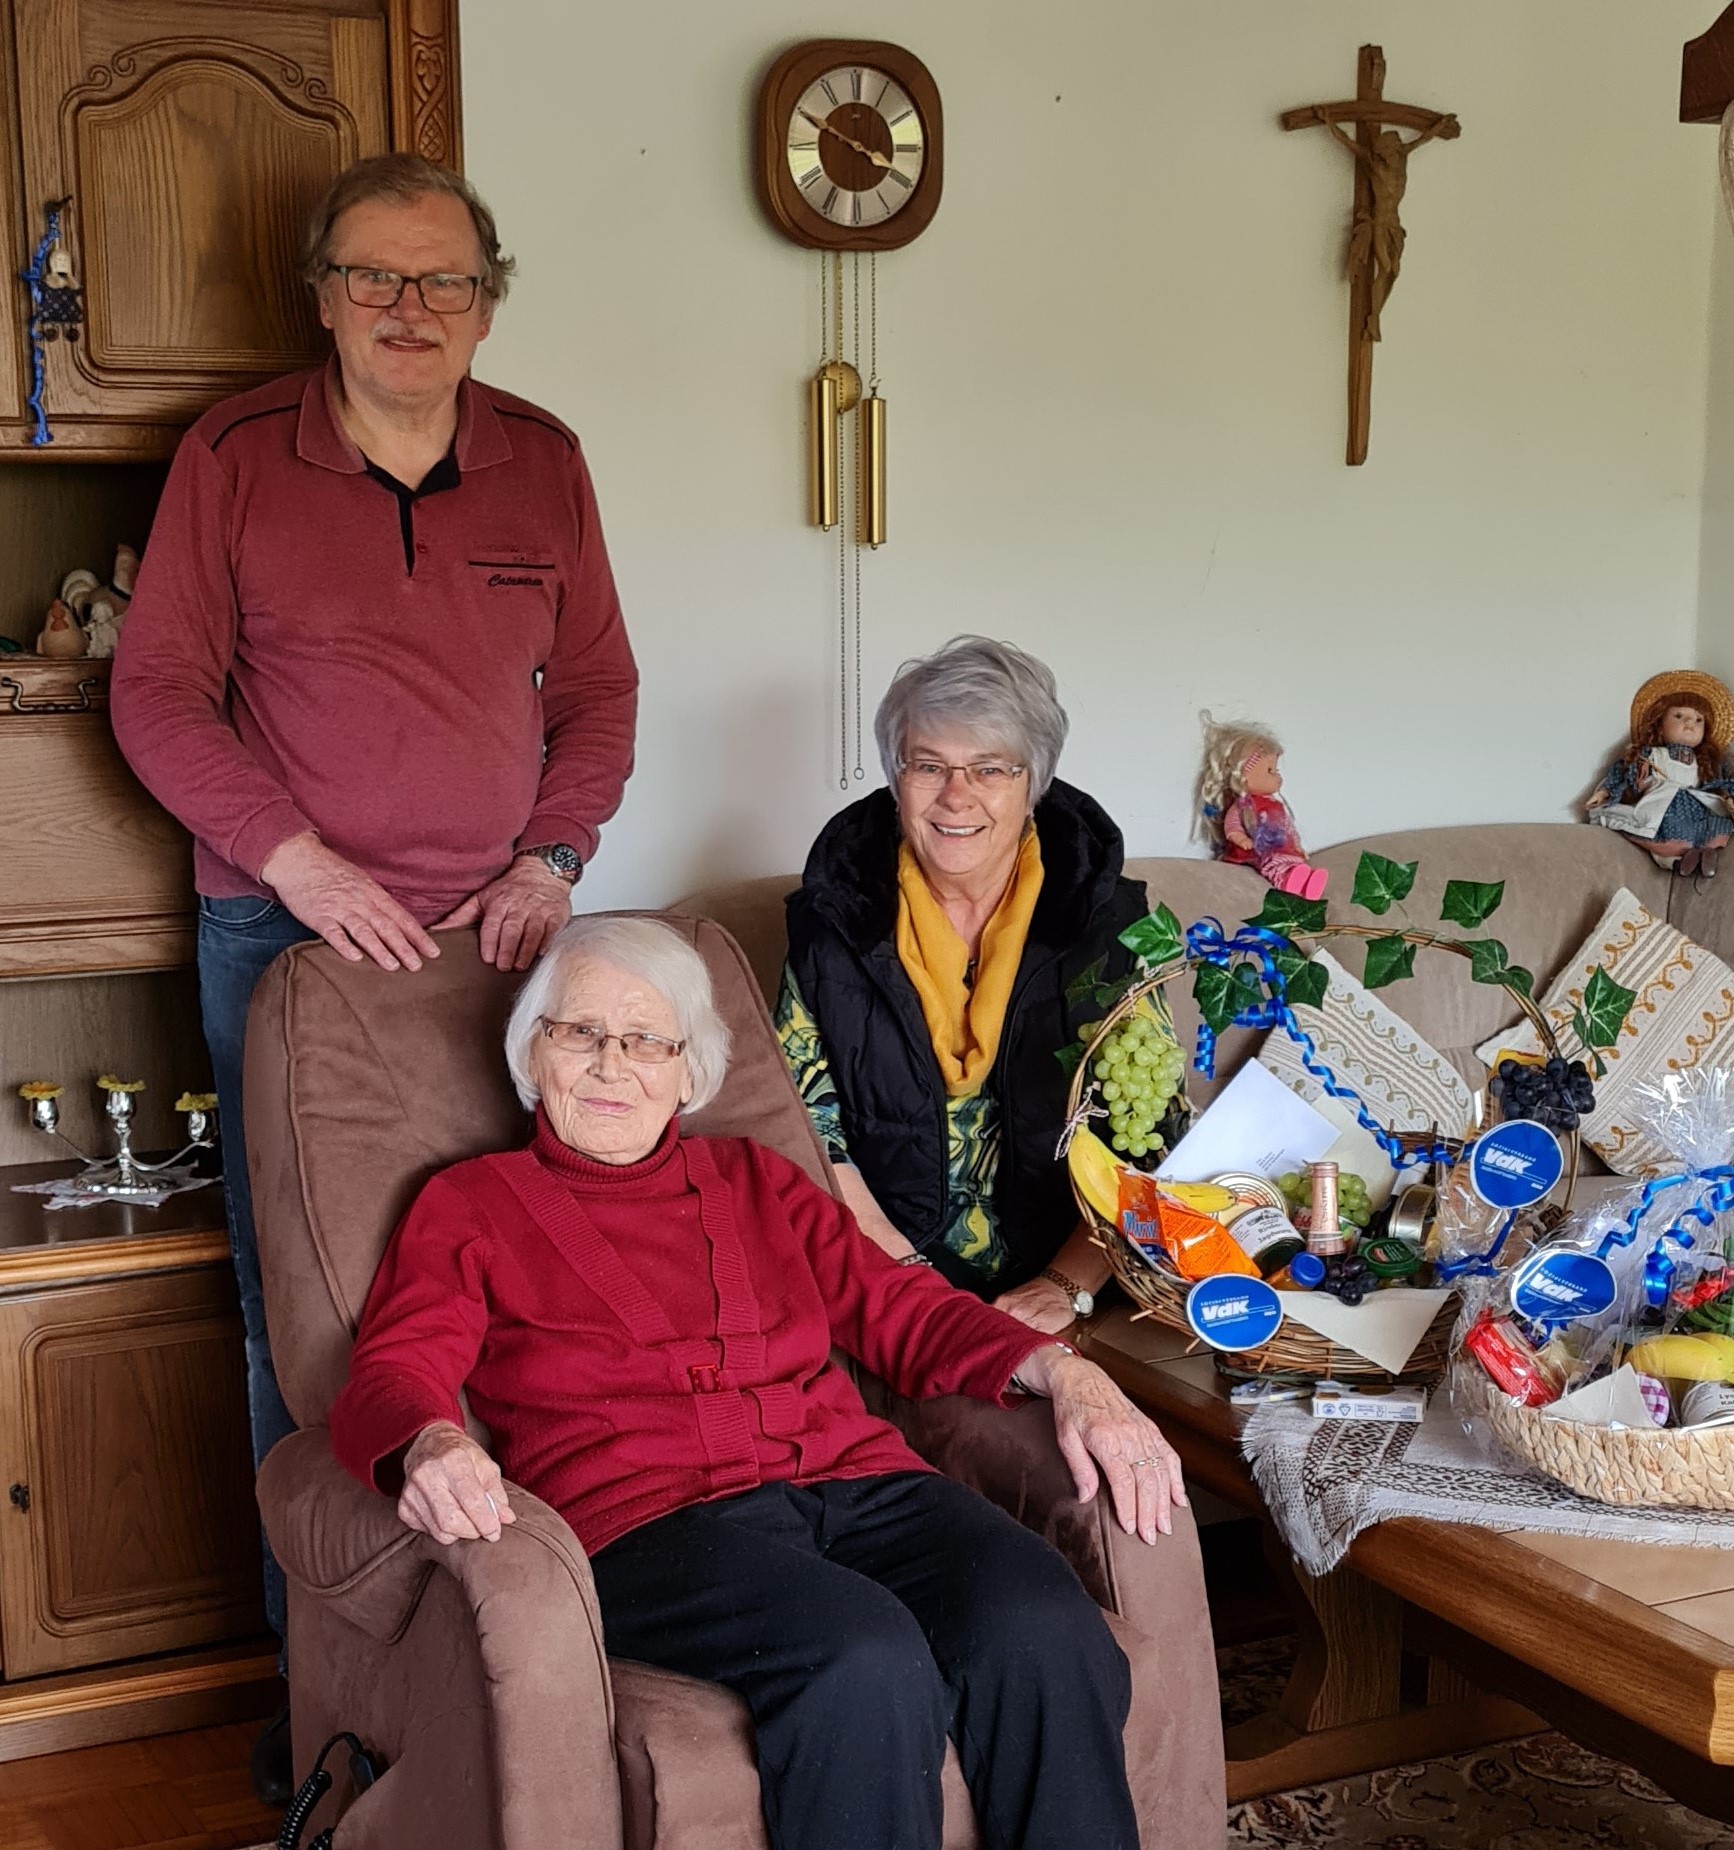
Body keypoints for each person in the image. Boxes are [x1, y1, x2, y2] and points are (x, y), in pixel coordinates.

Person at [110, 153, 637, 1796]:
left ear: (487, 298)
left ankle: (516, 1678)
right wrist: (298, 861)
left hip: (500, 943)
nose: (410, 313)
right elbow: (157, 699)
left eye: (445, 282)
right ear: (320, 292)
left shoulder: (541, 462)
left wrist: (549, 863)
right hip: (290, 943)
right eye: (374, 278)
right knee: (314, 1321)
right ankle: (334, 1710)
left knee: (512, 1295)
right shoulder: (233, 456)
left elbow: (600, 697)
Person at [330, 917, 1186, 1850]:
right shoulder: (471, 1204)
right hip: (646, 1523)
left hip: (861, 1487)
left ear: (689, 1072)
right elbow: (395, 1366)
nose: (611, 1065)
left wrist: (1067, 1374)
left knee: (1042, 1625)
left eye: (647, 1040)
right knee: (863, 1657)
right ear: (532, 1054)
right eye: (578, 1033)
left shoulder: (758, 1180)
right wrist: (431, 1438)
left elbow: (902, 1310)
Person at [776, 636, 1148, 1335]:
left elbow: (1148, 1126)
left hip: (1073, 1275)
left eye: (989, 769)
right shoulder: (837, 920)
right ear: (896, 776)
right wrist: (909, 1283)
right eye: (929, 765)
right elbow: (805, 1127)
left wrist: (1066, 1283)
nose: (956, 796)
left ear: (1032, 781)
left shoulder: (1109, 923)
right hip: (888, 1274)